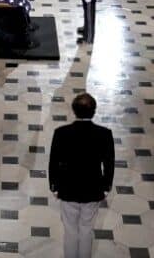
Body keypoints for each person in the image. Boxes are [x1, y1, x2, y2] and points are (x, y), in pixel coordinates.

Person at [48, 93, 114, 258]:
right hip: (93, 189)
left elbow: (54, 161)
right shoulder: (104, 134)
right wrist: (106, 187)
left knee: (70, 230)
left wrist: (54, 186)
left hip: (68, 189)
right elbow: (109, 163)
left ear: (73, 110)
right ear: (94, 111)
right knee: (86, 229)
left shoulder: (61, 132)